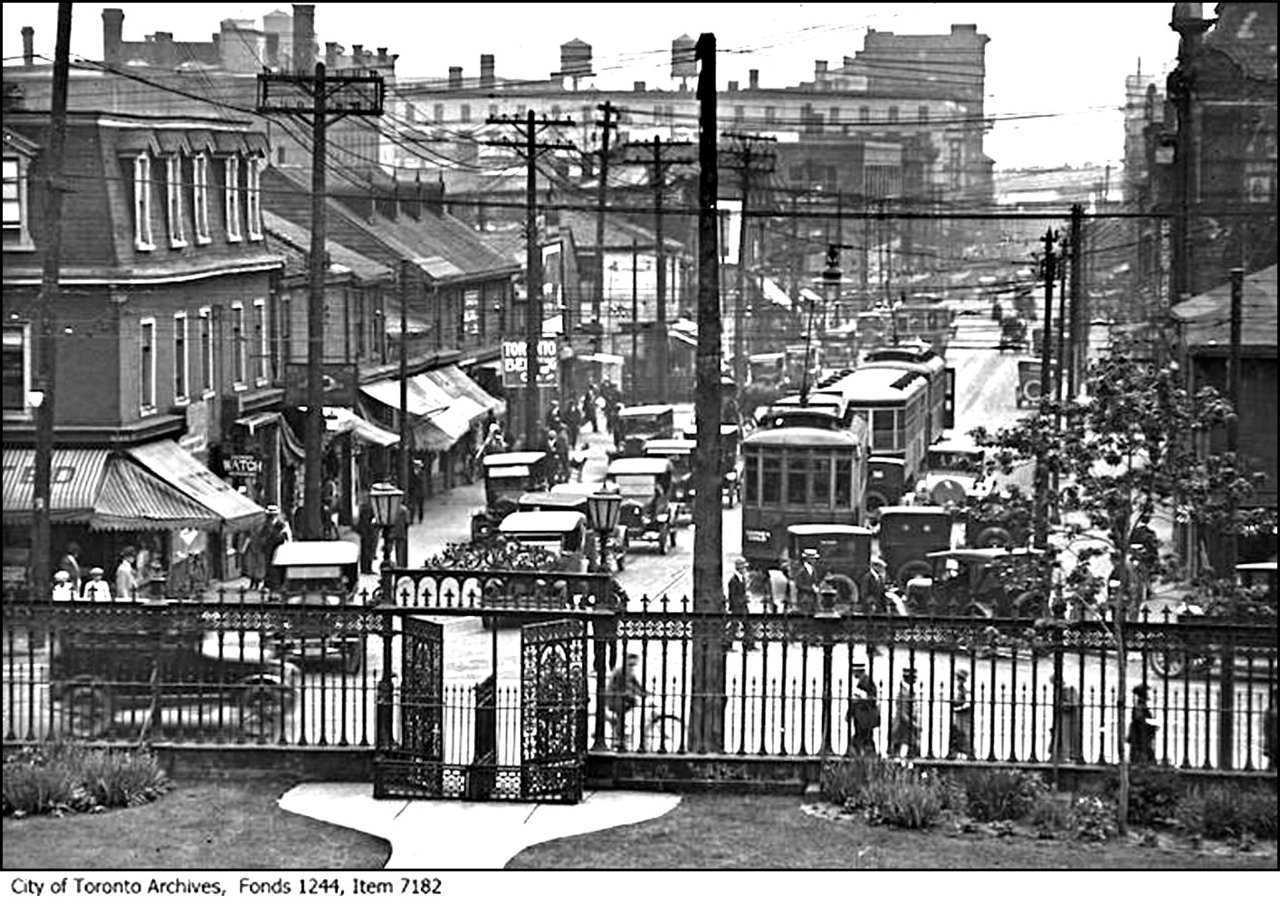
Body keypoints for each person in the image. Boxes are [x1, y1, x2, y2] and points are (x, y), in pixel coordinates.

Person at [606, 654, 648, 750]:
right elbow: (629, 685)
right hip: (614, 697)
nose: (632, 666)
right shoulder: (623, 670)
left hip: (620, 695)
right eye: (631, 663)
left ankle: (620, 731)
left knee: (628, 707)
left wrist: (644, 691)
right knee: (622, 712)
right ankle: (619, 737)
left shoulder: (628, 671)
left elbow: (636, 683)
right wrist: (640, 694)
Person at [1049, 672, 1083, 762]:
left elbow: (1073, 704)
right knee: (1062, 737)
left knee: (1069, 737)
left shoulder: (1070, 689)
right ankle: (1061, 754)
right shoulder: (1060, 691)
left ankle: (1069, 755)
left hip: (1069, 719)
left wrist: (1062, 704)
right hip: (1062, 719)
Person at [890, 668, 920, 758]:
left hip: (906, 728)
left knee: (908, 751)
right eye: (914, 678)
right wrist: (915, 725)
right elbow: (903, 715)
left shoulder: (908, 692)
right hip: (903, 728)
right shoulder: (904, 693)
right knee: (903, 752)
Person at [849, 672, 880, 756]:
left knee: (862, 737)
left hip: (863, 716)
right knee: (864, 737)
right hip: (861, 716)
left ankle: (861, 755)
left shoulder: (866, 682)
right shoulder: (864, 681)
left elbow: (871, 700)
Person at [727, 557, 754, 650]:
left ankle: (749, 644)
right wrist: (743, 599)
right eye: (744, 568)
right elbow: (733, 595)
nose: (745, 570)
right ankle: (728, 644)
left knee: (747, 625)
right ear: (740, 568)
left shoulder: (741, 578)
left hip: (742, 605)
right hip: (737, 606)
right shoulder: (733, 580)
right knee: (735, 625)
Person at [1128, 683, 1157, 764]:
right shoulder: (1139, 706)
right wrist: (1151, 724)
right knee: (1143, 752)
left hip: (1141, 734)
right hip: (1140, 734)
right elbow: (1140, 720)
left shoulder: (1140, 706)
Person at [948, 668, 973, 760]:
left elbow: (968, 703)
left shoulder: (966, 690)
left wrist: (958, 708)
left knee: (964, 733)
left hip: (964, 716)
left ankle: (968, 752)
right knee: (957, 731)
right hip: (958, 715)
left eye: (959, 678)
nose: (957, 680)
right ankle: (955, 751)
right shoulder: (958, 689)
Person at [355, 495, 378, 576]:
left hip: (367, 531)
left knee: (368, 549)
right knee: (368, 549)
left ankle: (366, 568)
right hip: (368, 531)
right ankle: (366, 568)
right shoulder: (368, 508)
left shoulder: (366, 507)